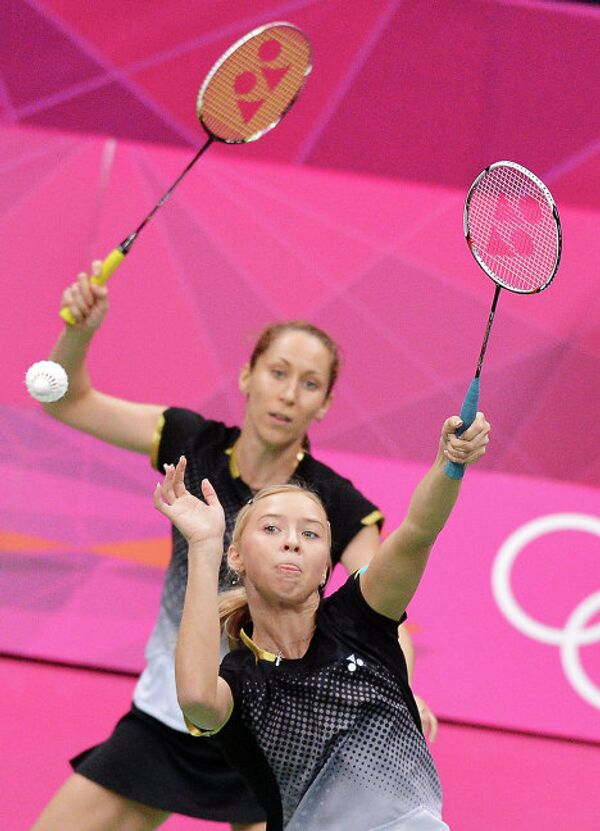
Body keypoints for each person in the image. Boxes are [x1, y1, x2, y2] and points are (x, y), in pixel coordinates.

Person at [31, 263, 436, 831]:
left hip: (274, 735)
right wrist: (80, 330)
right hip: (168, 719)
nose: (289, 395)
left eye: (310, 384)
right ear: (248, 377)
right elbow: (66, 401)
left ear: (322, 406)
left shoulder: (333, 504)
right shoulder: (189, 442)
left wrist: (403, 690)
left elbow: (381, 616)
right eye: (277, 372)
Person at [161, 411, 490, 830]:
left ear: (324, 568)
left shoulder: (362, 619)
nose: (293, 542)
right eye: (272, 529)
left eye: (311, 534)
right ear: (237, 555)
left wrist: (450, 462)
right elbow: (196, 700)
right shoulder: (242, 681)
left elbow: (418, 531)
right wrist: (204, 547)